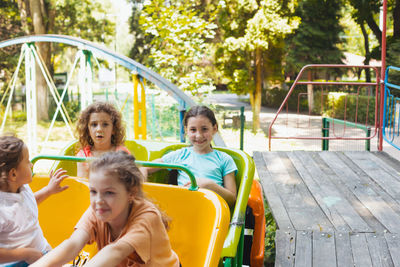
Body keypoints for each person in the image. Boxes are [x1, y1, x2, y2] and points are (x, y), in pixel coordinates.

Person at [30, 151, 179, 267]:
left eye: (109, 193)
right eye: (93, 192)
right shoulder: (98, 210)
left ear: (131, 193)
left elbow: (116, 250)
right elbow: (73, 244)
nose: (99, 201)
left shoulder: (147, 216)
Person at [140, 105, 237, 207]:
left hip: (214, 212)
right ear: (186, 130)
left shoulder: (225, 159)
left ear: (214, 129)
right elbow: (144, 167)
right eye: (193, 130)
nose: (198, 135)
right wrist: (141, 190)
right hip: (185, 208)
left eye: (204, 129)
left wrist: (209, 185)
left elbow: (232, 200)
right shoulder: (180, 155)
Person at [0, 135, 69, 267]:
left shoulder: (23, 187)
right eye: (27, 161)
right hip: (17, 263)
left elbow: (28, 204)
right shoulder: (2, 208)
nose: (31, 164)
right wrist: (25, 254)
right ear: (13, 174)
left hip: (41, 255)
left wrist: (49, 190)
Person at [76, 101, 130, 177]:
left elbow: (127, 182)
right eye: (94, 125)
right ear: (87, 130)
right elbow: (81, 184)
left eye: (105, 124)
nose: (99, 129)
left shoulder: (121, 153)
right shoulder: (83, 155)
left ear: (113, 129)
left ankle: (145, 169)